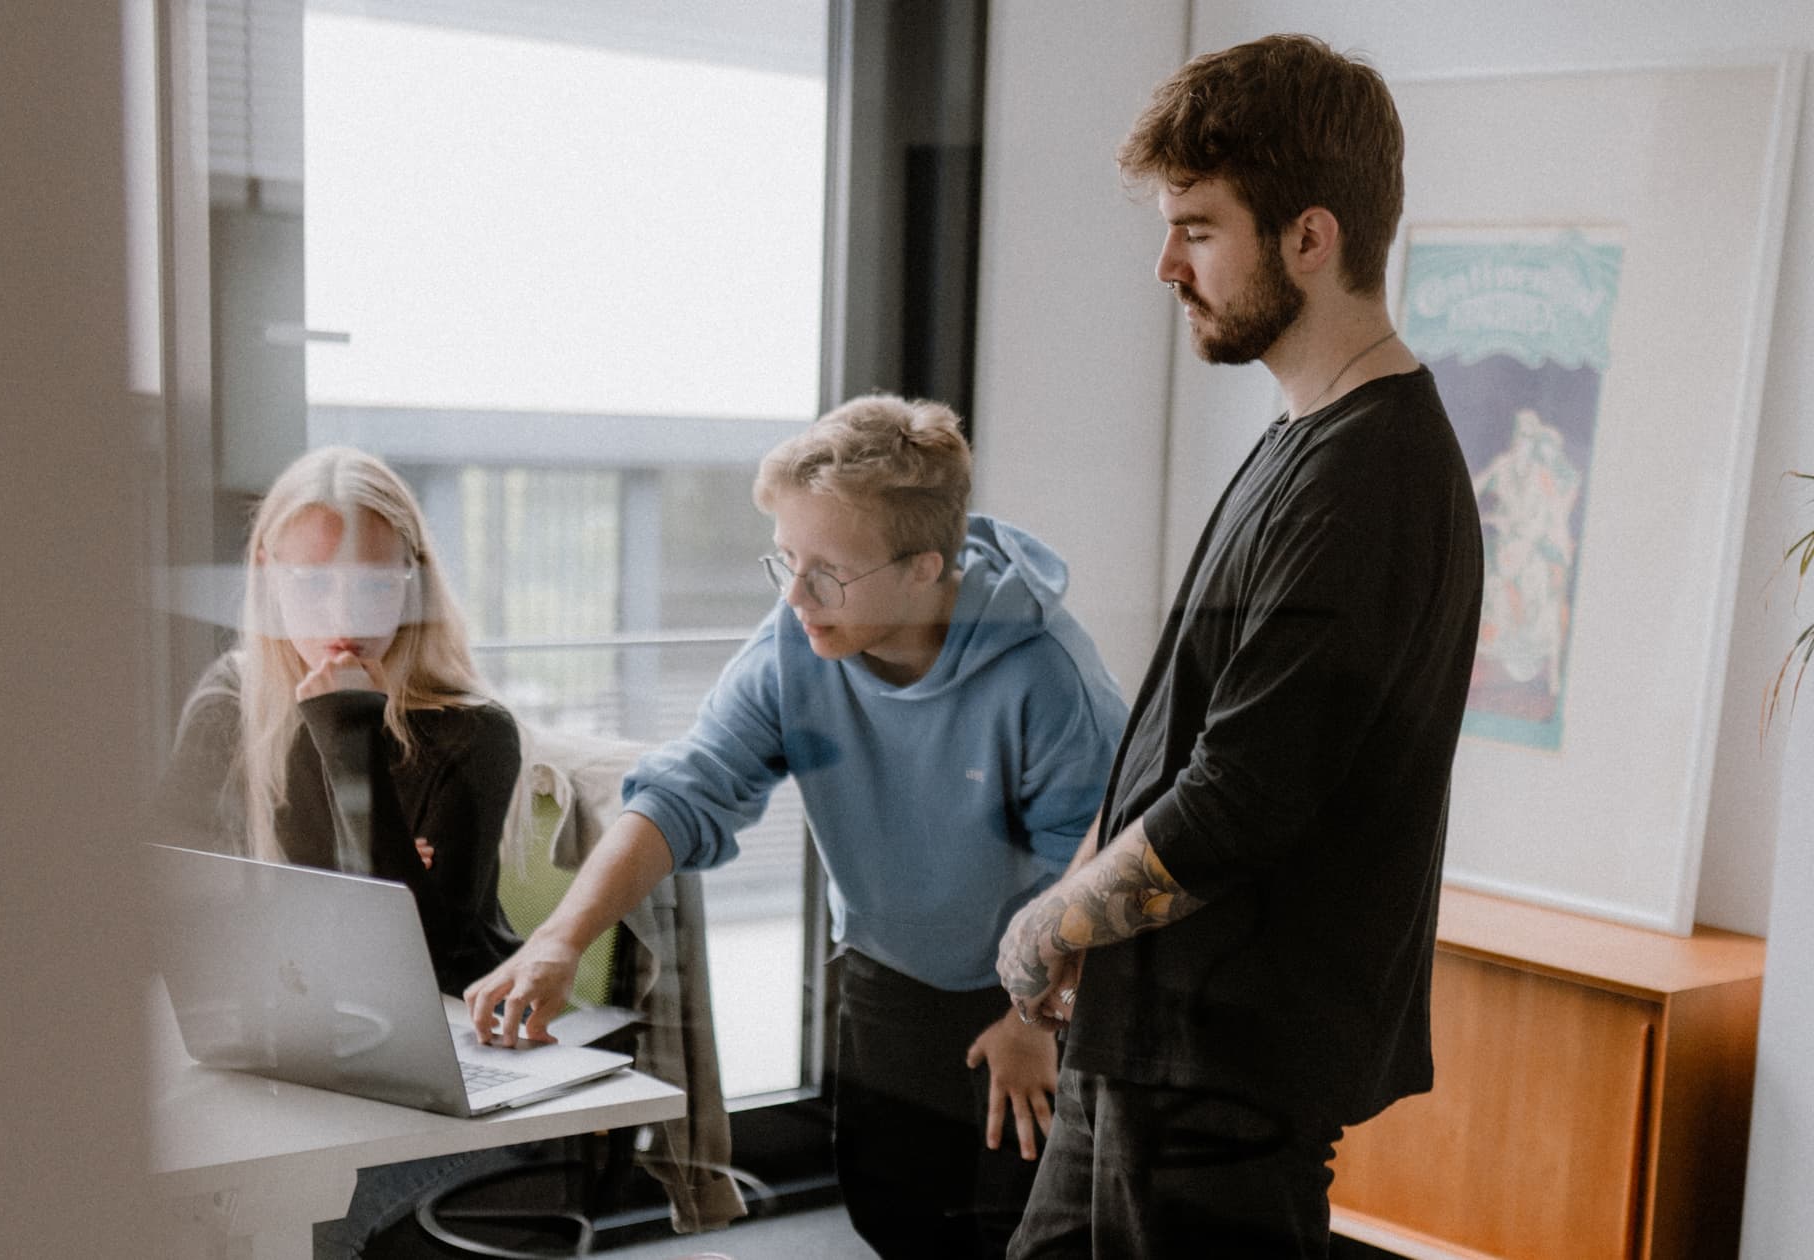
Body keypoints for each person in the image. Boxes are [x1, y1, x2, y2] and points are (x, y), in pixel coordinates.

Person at [994, 35, 1485, 1259]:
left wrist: (1049, 927)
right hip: (1152, 1039)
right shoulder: (1303, 436)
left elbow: (1241, 796)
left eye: (1199, 229)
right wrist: (1080, 911)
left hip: (1225, 1069)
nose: (1167, 265)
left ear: (1310, 238)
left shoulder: (1369, 477)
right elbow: (1181, 729)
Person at [464, 395, 1128, 1258]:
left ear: (925, 568)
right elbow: (685, 789)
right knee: (892, 1212)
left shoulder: (1045, 676)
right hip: (890, 970)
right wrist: (561, 938)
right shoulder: (798, 637)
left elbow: (1101, 869)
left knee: (1020, 1231)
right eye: (785, 562)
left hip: (1040, 986)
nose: (798, 597)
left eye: (828, 572)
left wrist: (1039, 1021)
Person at [160, 445, 526, 1256]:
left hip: (437, 1080)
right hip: (282, 1058)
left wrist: (348, 735)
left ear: (414, 580)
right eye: (312, 581)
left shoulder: (472, 732)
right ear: (266, 576)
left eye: (373, 582)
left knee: (288, 1221)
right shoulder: (227, 703)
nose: (344, 615)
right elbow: (161, 892)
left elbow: (417, 961)